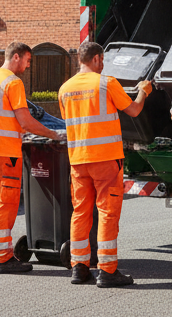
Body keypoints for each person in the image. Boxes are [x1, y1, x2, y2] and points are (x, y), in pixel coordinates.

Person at [58, 41, 152, 287]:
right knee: (107, 214)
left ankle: (79, 268)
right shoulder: (107, 83)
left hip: (78, 161)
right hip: (106, 161)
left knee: (80, 213)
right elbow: (133, 110)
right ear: (97, 59)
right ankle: (107, 271)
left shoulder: (64, 89)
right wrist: (143, 91)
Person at [0, 41, 63, 274]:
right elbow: (25, 121)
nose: (28, 66)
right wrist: (53, 133)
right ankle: (2, 258)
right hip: (4, 153)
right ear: (16, 57)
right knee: (5, 202)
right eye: (28, 60)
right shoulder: (13, 82)